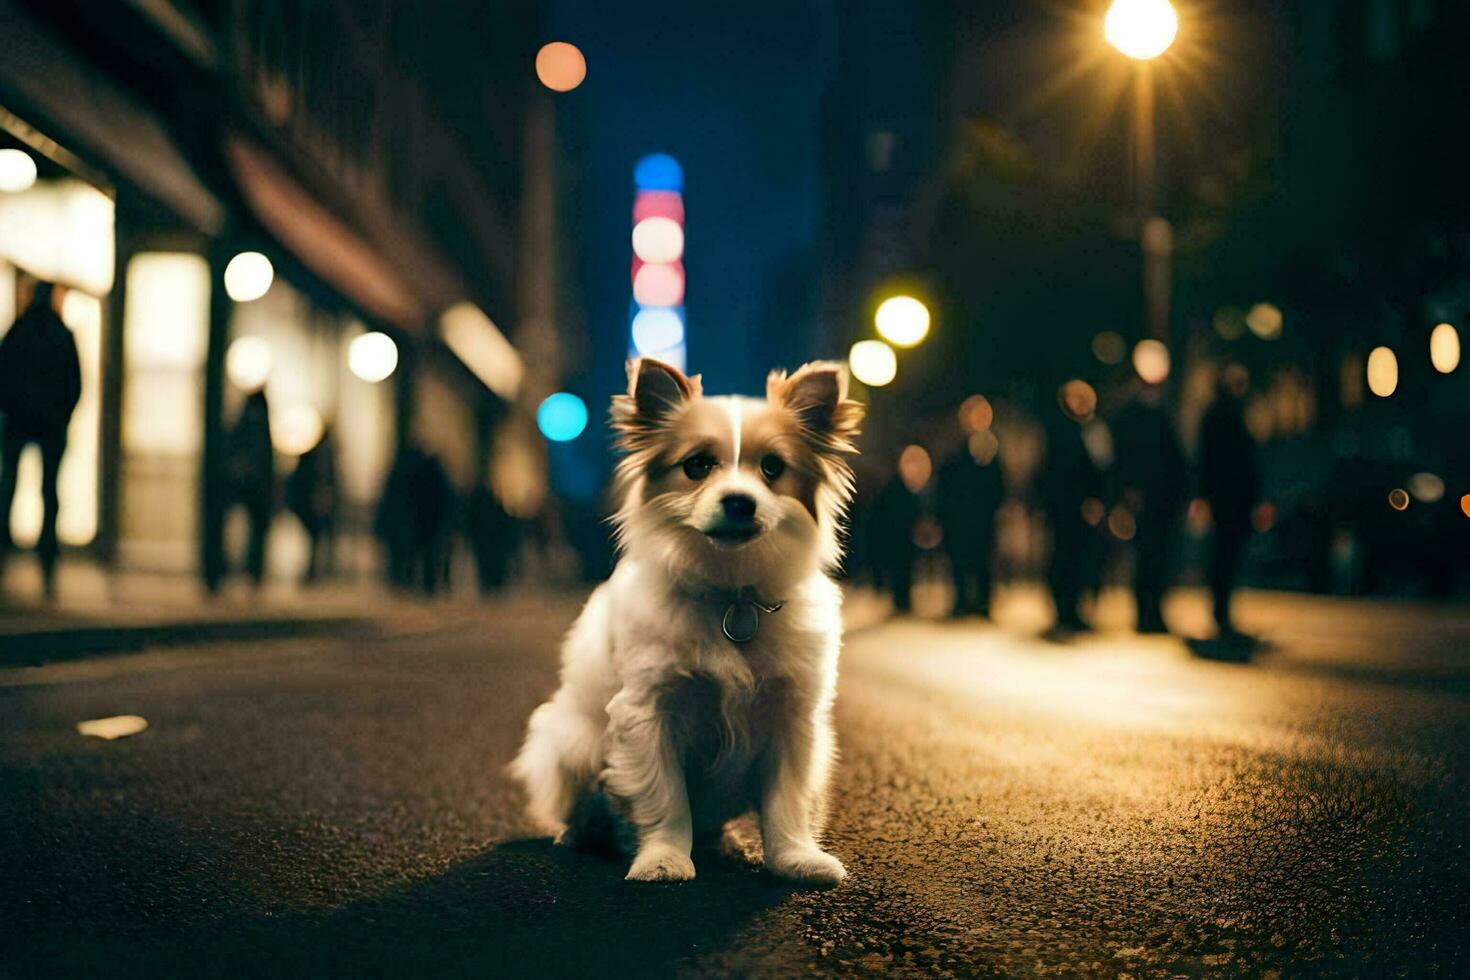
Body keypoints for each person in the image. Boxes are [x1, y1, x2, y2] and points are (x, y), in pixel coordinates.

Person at [0, 281, 82, 596]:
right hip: (49, 424)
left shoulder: (19, 331)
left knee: (10, 483)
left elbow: (4, 373)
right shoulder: (61, 335)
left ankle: (6, 544)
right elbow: (74, 384)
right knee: (49, 490)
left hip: (20, 422)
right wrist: (61, 415)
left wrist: (11, 408)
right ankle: (47, 549)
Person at [1113, 386, 1187, 634]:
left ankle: (1152, 612)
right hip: (1149, 500)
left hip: (1161, 500)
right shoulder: (1136, 419)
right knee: (1149, 559)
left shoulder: (1159, 416)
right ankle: (1146, 614)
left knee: (1158, 561)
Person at [1197, 368, 1260, 635]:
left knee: (1229, 555)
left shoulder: (1231, 414)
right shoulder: (1221, 416)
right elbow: (1210, 460)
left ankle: (1222, 609)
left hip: (1235, 497)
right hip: (1227, 498)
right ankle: (1220, 610)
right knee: (1224, 555)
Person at [1040, 415, 1102, 632]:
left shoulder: (1092, 435)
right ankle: (1063, 610)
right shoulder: (1061, 439)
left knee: (1080, 562)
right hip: (1065, 513)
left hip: (1082, 514)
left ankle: (1074, 609)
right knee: (1063, 560)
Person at [936, 436, 1003, 618]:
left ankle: (983, 604)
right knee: (960, 564)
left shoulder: (990, 459)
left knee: (982, 565)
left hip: (982, 524)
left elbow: (998, 489)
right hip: (960, 524)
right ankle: (962, 602)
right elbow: (945, 492)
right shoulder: (954, 461)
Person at [226, 389, 276, 585]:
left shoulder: (248, 423)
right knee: (254, 530)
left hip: (250, 486)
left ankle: (247, 570)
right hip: (254, 486)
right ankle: (250, 571)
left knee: (251, 529)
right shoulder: (259, 426)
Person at [286, 428, 338, 583]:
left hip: (318, 504)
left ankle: (316, 570)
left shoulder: (321, 457)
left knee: (317, 539)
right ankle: (313, 571)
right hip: (310, 504)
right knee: (314, 538)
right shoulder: (313, 457)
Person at [870, 468, 920, 612]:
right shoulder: (903, 492)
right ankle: (903, 602)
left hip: (898, 539)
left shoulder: (891, 491)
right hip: (901, 539)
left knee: (901, 572)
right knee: (902, 572)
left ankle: (902, 603)